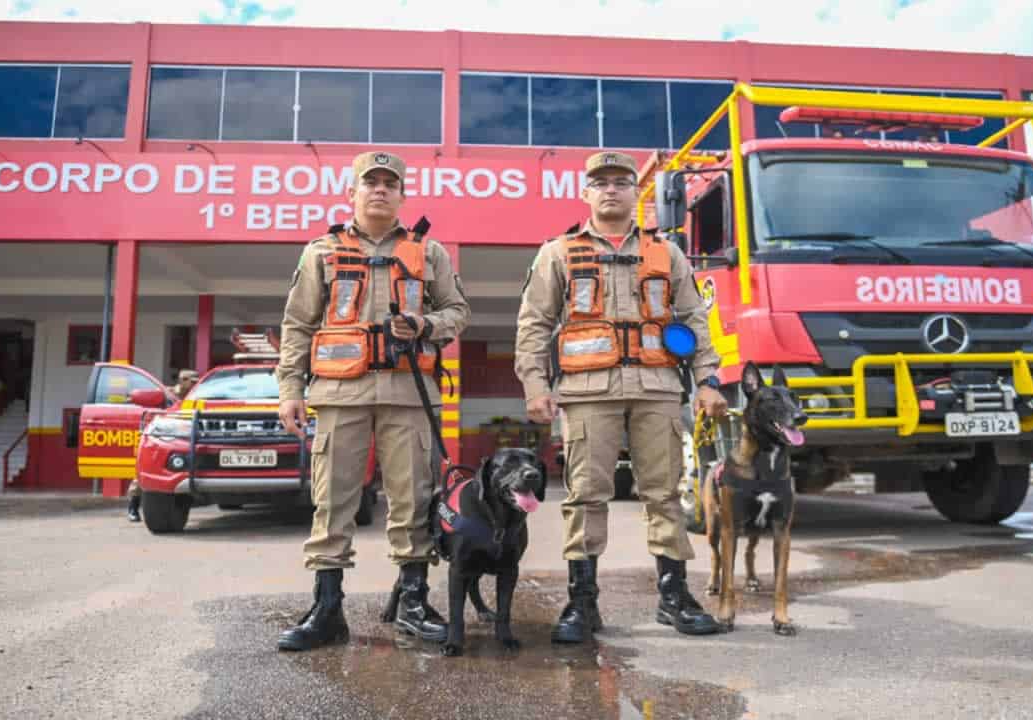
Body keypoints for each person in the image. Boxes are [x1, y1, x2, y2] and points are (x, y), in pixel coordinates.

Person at [514, 151, 728, 642]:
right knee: (586, 495)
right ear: (585, 194)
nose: (610, 189)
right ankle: (581, 603)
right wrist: (534, 385)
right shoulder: (558, 252)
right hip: (588, 393)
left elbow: (694, 318)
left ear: (637, 192)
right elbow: (534, 324)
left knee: (665, 494)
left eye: (621, 182)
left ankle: (674, 597)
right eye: (600, 182)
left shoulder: (666, 252)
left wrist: (709, 380)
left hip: (656, 389)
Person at [275, 151, 470, 652]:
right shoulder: (321, 251)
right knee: (333, 502)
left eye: (390, 183)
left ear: (402, 194)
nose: (380, 189)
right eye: (371, 182)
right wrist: (290, 391)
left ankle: (412, 601)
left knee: (413, 501)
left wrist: (427, 324)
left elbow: (457, 310)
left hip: (409, 394)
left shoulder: (430, 253)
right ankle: (327, 608)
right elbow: (298, 326)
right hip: (340, 395)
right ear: (352, 192)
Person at [126, 369, 198, 522]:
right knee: (143, 473)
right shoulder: (167, 394)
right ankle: (133, 506)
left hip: (185, 438)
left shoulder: (197, 397)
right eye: (191, 381)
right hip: (161, 437)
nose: (193, 384)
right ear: (182, 380)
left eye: (195, 381)